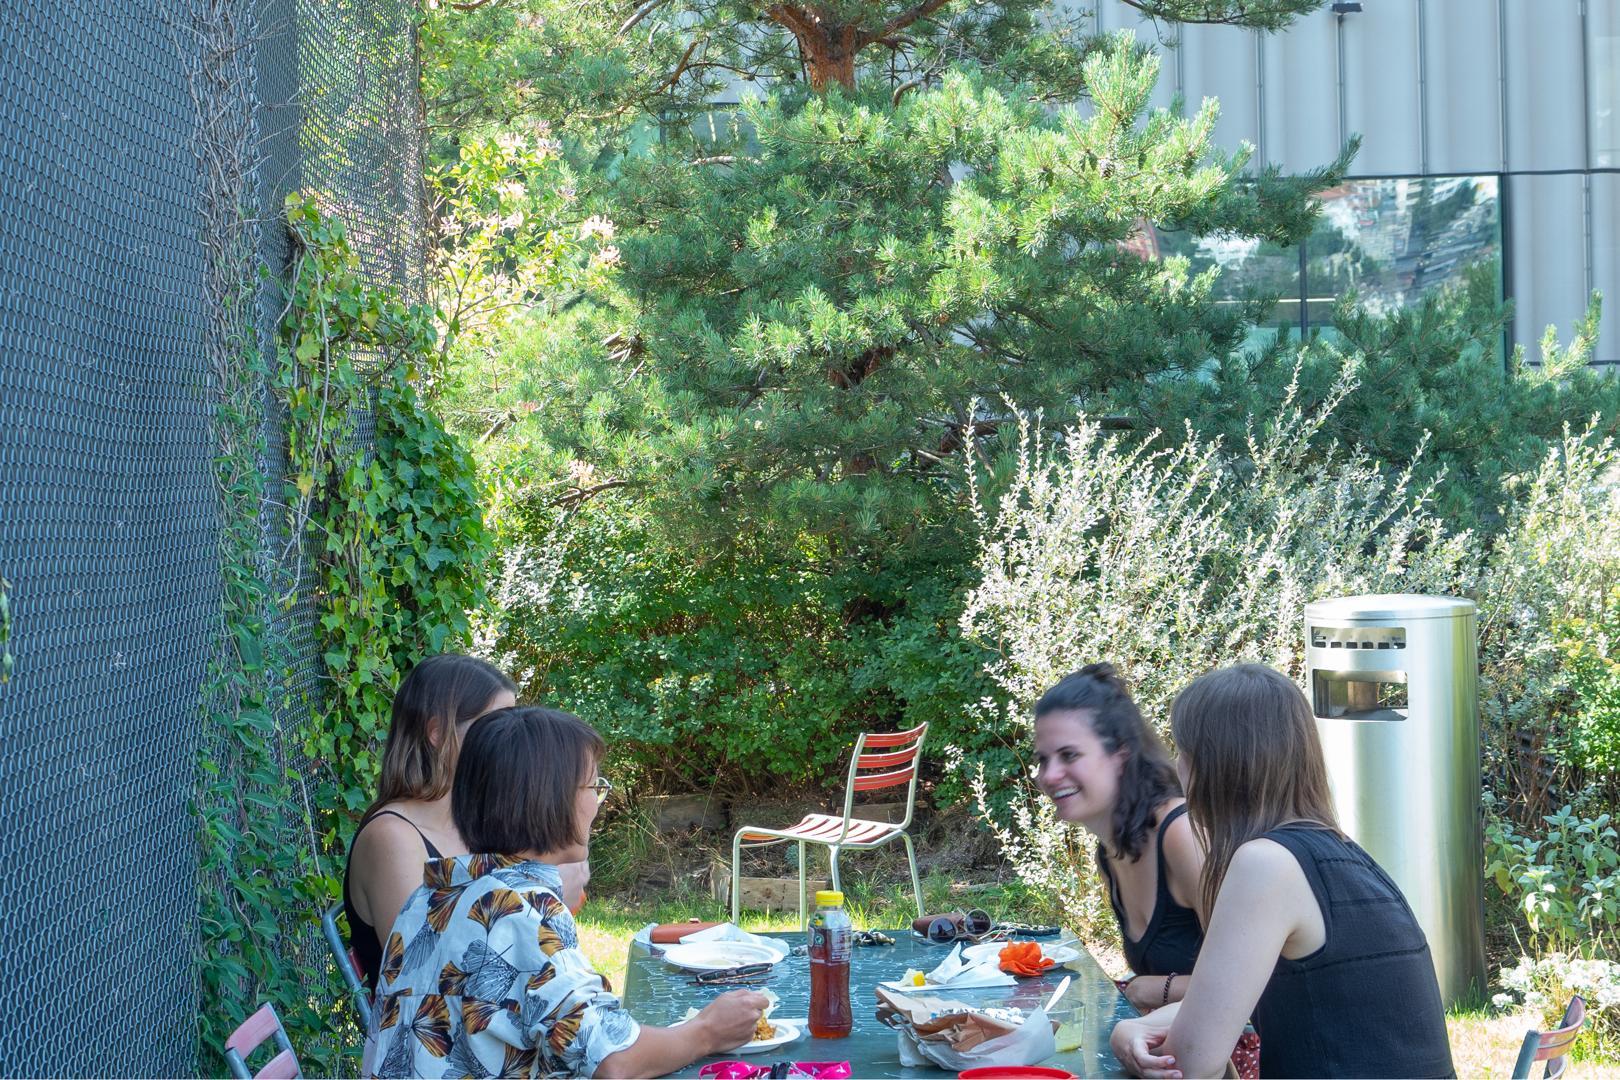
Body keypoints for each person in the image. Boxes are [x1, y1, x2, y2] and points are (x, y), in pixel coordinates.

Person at [365, 706, 767, 1079]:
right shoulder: (519, 908)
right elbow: (612, 1059)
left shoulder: (430, 897)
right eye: (593, 785)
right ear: (551, 798)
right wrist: (707, 1031)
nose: (598, 802)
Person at [1110, 663, 1454, 1079]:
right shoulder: (1342, 854)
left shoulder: (1265, 864)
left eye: (1182, 752)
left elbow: (1185, 1069)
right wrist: (1141, 1027)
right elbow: (1231, 1002)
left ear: (1214, 766)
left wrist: (1124, 1034)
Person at [343, 654, 590, 990]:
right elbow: (423, 976)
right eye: (495, 725)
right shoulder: (392, 837)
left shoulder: (472, 824)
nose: (511, 741)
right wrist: (550, 891)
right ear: (438, 733)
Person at [1032, 664, 1206, 1017]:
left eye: (1069, 755)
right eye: (1042, 759)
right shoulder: (1110, 848)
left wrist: (1150, 988)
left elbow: (1258, 978)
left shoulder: (1180, 834)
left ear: (1120, 754)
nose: (1048, 776)